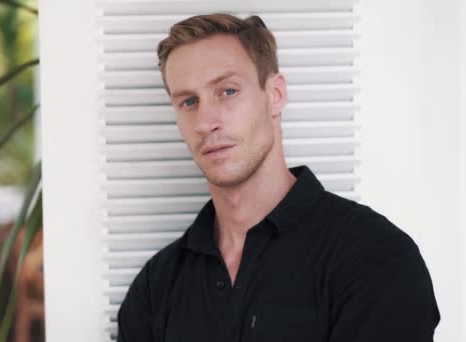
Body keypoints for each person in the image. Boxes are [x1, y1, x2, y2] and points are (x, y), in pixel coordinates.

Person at [116, 13, 440, 342]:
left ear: (275, 95)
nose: (205, 122)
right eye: (188, 101)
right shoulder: (156, 287)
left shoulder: (374, 256)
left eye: (227, 91)